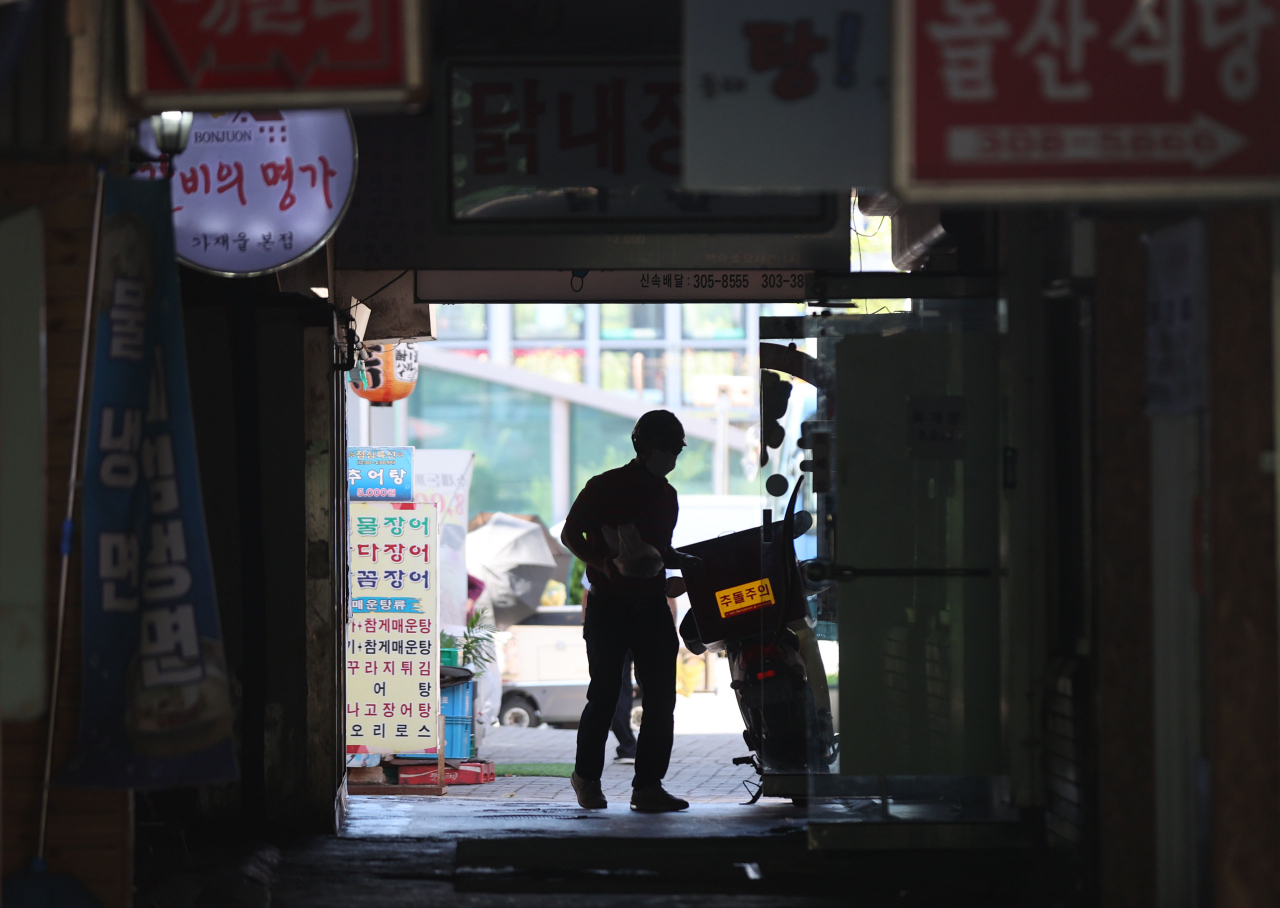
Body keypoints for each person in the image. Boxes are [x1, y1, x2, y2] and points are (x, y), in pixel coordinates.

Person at [560, 409, 700, 812]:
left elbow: (658, 551)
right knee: (604, 695)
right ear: (642, 446)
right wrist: (603, 563)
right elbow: (571, 534)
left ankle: (648, 787)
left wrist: (682, 565)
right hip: (608, 606)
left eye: (676, 450)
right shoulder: (604, 487)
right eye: (665, 448)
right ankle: (586, 779)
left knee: (660, 700)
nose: (670, 457)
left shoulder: (667, 496)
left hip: (653, 605)